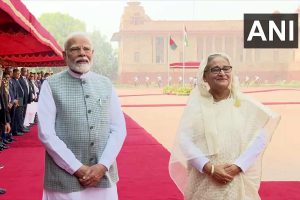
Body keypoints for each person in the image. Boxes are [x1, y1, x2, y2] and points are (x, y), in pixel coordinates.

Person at [169, 53, 280, 200]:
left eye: (226, 68)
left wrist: (237, 166)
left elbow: (260, 138)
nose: (222, 73)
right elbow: (184, 140)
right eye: (215, 69)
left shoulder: (245, 104)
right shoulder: (197, 106)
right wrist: (209, 168)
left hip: (236, 177)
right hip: (205, 179)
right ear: (204, 76)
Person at [38, 32, 127, 200]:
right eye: (75, 49)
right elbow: (46, 134)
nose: (82, 53)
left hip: (103, 176)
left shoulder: (106, 84)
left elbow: (118, 129)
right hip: (64, 180)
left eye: (86, 49)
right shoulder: (51, 85)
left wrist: (102, 166)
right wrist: (76, 168)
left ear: (92, 53)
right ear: (64, 55)